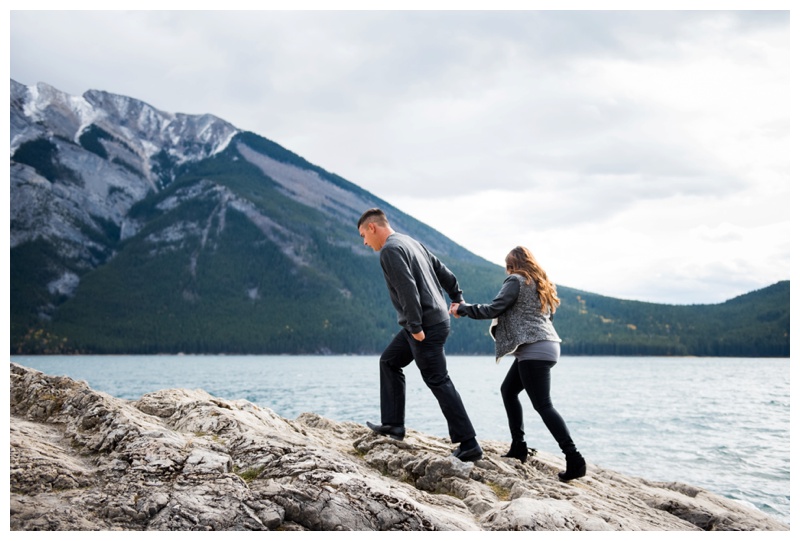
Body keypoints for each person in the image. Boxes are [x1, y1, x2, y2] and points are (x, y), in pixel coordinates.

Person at [357, 208, 483, 462]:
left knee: (438, 380)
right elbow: (443, 270)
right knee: (389, 361)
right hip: (430, 321)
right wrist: (457, 296)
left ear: (373, 228)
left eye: (363, 235)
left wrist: (415, 327)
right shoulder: (410, 241)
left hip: (425, 325)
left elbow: (407, 289)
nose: (364, 242)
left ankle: (469, 444)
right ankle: (393, 424)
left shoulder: (391, 250)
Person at [450, 246, 586, 481]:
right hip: (547, 346)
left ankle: (574, 458)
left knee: (543, 405)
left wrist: (463, 309)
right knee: (509, 391)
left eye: (508, 266)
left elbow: (494, 308)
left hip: (534, 350)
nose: (507, 270)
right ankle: (519, 446)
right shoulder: (540, 283)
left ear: (512, 265)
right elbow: (546, 318)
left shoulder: (515, 280)